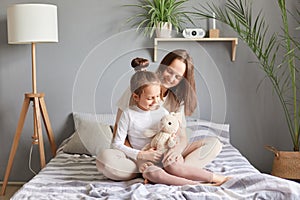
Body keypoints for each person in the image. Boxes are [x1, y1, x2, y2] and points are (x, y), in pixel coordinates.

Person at [97, 50, 224, 182]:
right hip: (135, 155)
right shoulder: (139, 87)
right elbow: (119, 130)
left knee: (214, 144)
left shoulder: (176, 100)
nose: (171, 78)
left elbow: (181, 136)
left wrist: (175, 151)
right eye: (169, 71)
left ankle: (171, 171)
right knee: (104, 160)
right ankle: (156, 171)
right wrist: (142, 157)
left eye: (178, 77)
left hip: (163, 154)